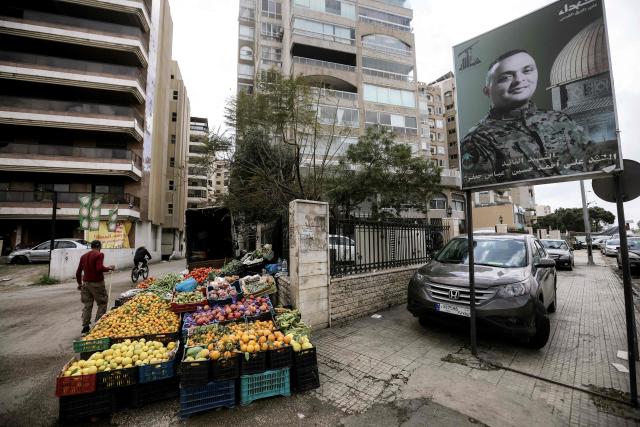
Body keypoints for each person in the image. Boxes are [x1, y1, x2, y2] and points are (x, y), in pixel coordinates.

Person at [460, 50, 600, 187]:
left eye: (527, 70)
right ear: (487, 91)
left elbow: (597, 162)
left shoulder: (560, 120)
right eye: (506, 77)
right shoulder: (478, 139)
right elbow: (484, 190)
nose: (520, 79)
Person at [76, 240, 115, 334]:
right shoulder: (99, 255)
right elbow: (99, 268)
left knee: (87, 305)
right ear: (99, 246)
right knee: (102, 303)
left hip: (85, 283)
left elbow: (78, 272)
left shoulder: (83, 256)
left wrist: (79, 284)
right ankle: (98, 325)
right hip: (97, 284)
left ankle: (85, 326)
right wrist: (109, 268)